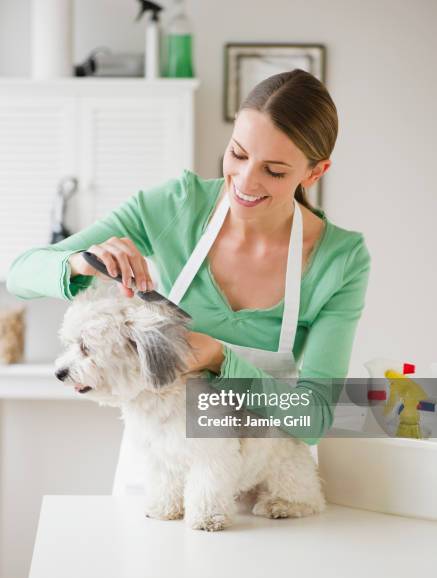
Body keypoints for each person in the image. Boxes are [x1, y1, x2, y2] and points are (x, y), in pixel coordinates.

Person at [7, 69, 371, 495]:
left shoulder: (340, 260)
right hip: (160, 477)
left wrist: (221, 359)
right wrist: (83, 260)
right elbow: (21, 274)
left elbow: (313, 419)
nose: (246, 182)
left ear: (315, 172)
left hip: (266, 483)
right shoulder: (175, 206)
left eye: (273, 171)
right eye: (238, 153)